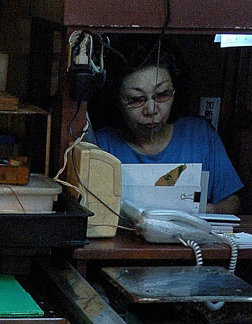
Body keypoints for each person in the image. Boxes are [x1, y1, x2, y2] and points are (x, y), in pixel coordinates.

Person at [85, 42, 243, 214]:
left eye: (162, 95)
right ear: (117, 99)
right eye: (136, 99)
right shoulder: (99, 144)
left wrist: (209, 210)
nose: (151, 110)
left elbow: (231, 200)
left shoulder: (198, 136)